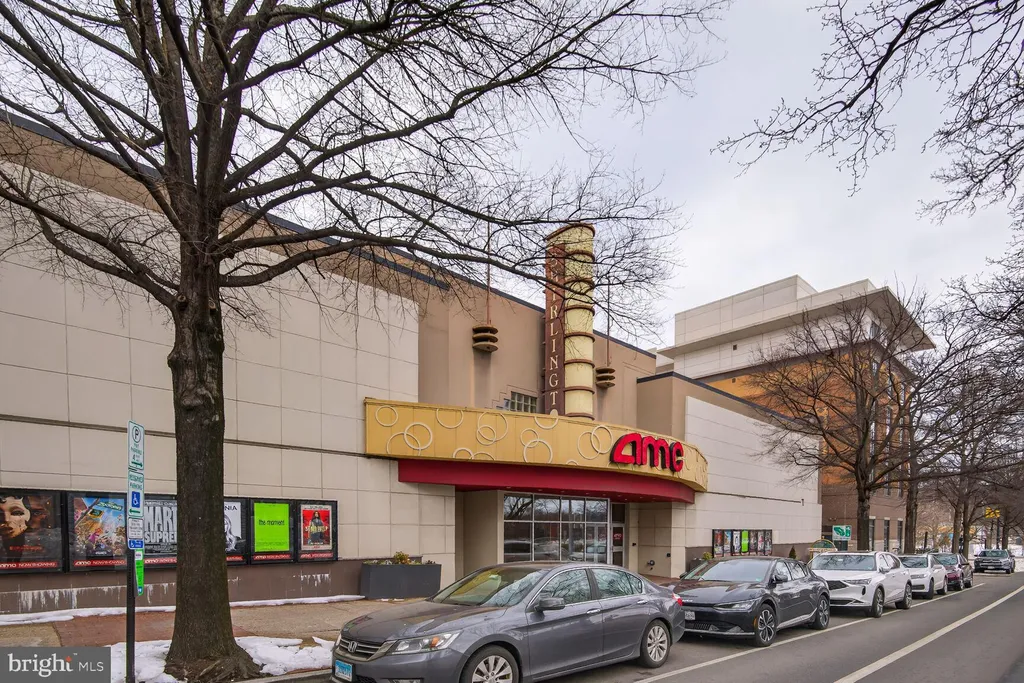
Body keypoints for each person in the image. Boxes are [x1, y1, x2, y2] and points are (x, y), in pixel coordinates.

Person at [0, 494, 61, 564]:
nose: (29, 518)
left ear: (46, 514)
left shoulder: (56, 538)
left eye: (36, 513)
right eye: (17, 513)